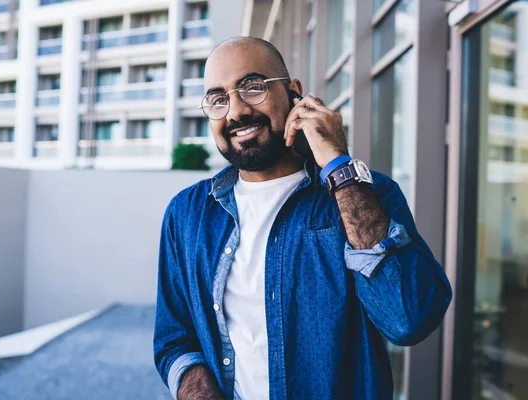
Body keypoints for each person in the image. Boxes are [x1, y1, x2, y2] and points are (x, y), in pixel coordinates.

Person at [154, 36, 452, 400]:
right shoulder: (187, 214)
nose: (235, 112)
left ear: (294, 93)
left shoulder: (367, 195)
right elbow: (175, 340)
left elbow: (409, 319)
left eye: (252, 87)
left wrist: (339, 166)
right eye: (219, 99)